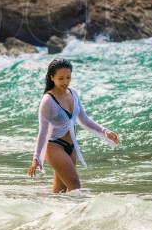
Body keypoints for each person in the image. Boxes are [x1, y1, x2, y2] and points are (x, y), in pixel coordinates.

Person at [27, 58, 120, 192]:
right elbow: (43, 132)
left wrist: (105, 131)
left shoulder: (73, 93)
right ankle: (85, 206)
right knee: (75, 187)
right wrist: (36, 158)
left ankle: (49, 206)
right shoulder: (48, 101)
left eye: (68, 77)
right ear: (52, 77)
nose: (65, 82)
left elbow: (84, 119)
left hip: (71, 147)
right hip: (54, 146)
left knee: (60, 192)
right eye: (61, 78)